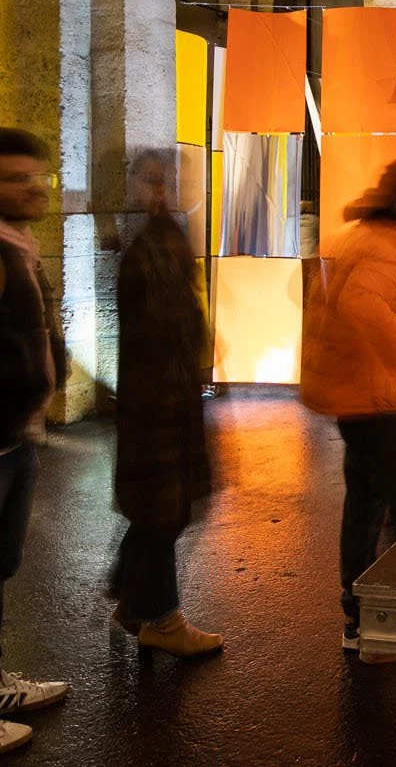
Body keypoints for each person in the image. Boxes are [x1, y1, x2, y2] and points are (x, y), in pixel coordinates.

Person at [300, 160, 396, 651]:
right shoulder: (383, 247)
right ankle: (387, 621)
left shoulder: (364, 236)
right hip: (376, 399)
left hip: (359, 395)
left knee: (367, 504)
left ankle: (360, 615)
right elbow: (360, 304)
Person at [108, 149, 221, 657]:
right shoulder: (146, 243)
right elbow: (161, 325)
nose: (160, 189)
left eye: (166, 180)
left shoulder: (165, 237)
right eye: (150, 181)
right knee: (163, 510)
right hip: (156, 398)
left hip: (167, 395)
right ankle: (160, 618)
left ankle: (133, 599)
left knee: (163, 510)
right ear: (132, 186)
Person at [0, 127, 69, 755]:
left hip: (15, 439)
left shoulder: (19, 245)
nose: (31, 187)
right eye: (13, 178)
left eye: (35, 176)